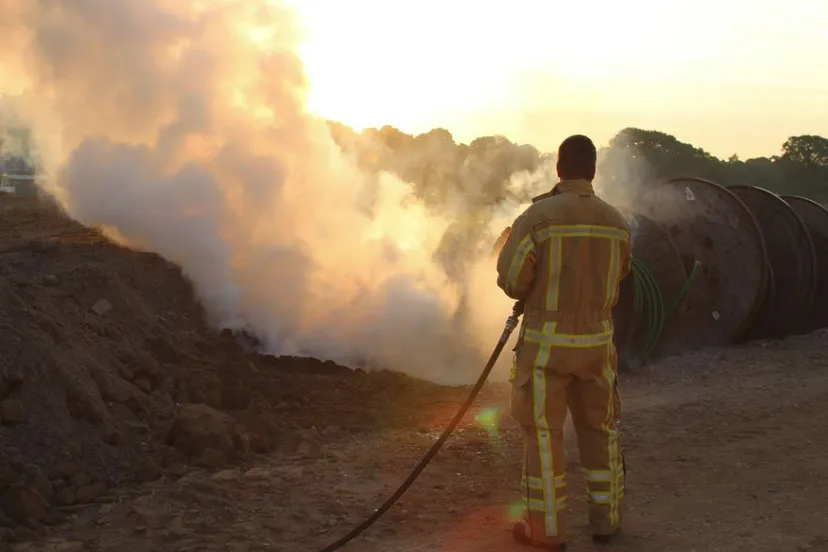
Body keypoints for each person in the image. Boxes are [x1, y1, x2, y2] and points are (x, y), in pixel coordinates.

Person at [495, 135, 632, 550]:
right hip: (597, 347)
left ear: (559, 168)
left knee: (542, 436)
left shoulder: (538, 218)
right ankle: (606, 523)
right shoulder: (616, 221)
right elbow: (622, 273)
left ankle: (547, 533)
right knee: (600, 430)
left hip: (546, 349)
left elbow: (512, 279)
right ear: (592, 171)